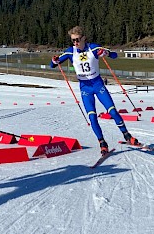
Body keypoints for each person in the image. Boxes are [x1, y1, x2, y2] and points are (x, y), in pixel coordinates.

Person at [50, 25, 138, 155]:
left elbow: (114, 55)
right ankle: (102, 143)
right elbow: (52, 65)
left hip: (98, 85)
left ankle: (127, 136)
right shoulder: (70, 51)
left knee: (112, 111)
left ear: (84, 38)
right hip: (85, 88)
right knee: (92, 117)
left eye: (78, 40)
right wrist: (54, 60)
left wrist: (106, 53)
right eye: (73, 40)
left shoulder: (94, 48)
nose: (76, 43)